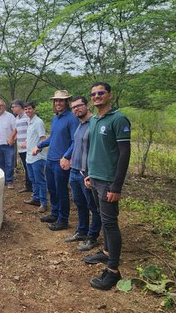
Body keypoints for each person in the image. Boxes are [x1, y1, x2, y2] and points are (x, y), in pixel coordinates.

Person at [82, 82, 131, 290]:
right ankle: (107, 252)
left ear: (109, 95)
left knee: (110, 224)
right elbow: (95, 149)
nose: (96, 96)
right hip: (95, 178)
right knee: (102, 218)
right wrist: (90, 174)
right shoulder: (94, 119)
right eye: (93, 94)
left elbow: (124, 153)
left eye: (100, 93)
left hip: (109, 181)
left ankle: (113, 272)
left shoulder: (118, 119)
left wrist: (116, 187)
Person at [32, 90, 78, 231]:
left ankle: (63, 220)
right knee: (52, 189)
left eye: (61, 100)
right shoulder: (56, 118)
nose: (58, 103)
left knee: (61, 190)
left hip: (61, 161)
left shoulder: (72, 118)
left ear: (67, 102)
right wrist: (39, 146)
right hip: (50, 159)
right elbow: (52, 138)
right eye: (56, 100)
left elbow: (75, 141)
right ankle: (54, 213)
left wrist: (67, 156)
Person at [64, 96, 102, 252]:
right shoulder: (79, 125)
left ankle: (92, 236)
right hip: (75, 170)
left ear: (87, 105)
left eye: (79, 106)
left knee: (93, 206)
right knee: (80, 203)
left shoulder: (94, 124)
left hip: (87, 173)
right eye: (73, 107)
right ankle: (82, 230)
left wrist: (93, 173)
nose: (76, 109)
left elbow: (99, 151)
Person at [21, 102, 48, 213]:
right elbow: (32, 137)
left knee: (40, 180)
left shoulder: (38, 122)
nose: (28, 111)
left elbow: (43, 139)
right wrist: (26, 142)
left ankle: (43, 203)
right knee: (33, 179)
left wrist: (38, 149)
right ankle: (36, 198)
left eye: (29, 109)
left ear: (34, 109)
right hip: (29, 156)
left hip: (38, 157)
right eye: (26, 109)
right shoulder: (29, 121)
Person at [11, 99, 33, 193]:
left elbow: (31, 130)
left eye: (14, 107)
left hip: (28, 147)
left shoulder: (27, 117)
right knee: (26, 166)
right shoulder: (17, 118)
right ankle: (28, 185)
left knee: (29, 167)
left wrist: (27, 141)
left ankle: (31, 186)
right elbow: (18, 131)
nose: (12, 109)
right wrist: (13, 138)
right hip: (20, 147)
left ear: (19, 107)